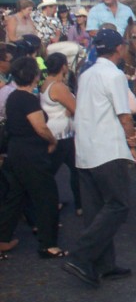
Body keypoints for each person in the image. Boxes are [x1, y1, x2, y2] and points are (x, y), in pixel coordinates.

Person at [63, 29, 136, 287]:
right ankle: (81, 256)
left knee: (95, 210)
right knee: (118, 204)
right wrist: (132, 141)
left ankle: (103, 264)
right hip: (107, 147)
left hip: (85, 147)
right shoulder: (115, 75)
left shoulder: (87, 74)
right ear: (119, 48)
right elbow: (124, 114)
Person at [0, 56, 64, 259]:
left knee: (16, 196)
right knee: (46, 197)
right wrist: (52, 141)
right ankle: (48, 244)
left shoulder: (12, 97)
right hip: (31, 154)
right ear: (34, 76)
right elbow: (40, 127)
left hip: (15, 150)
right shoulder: (27, 99)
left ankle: (3, 238)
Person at [42, 52, 81, 216]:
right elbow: (76, 108)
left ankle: (77, 204)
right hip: (62, 135)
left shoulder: (45, 83)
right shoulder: (58, 86)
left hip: (57, 132)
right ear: (63, 66)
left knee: (74, 169)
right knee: (57, 171)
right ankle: (76, 205)